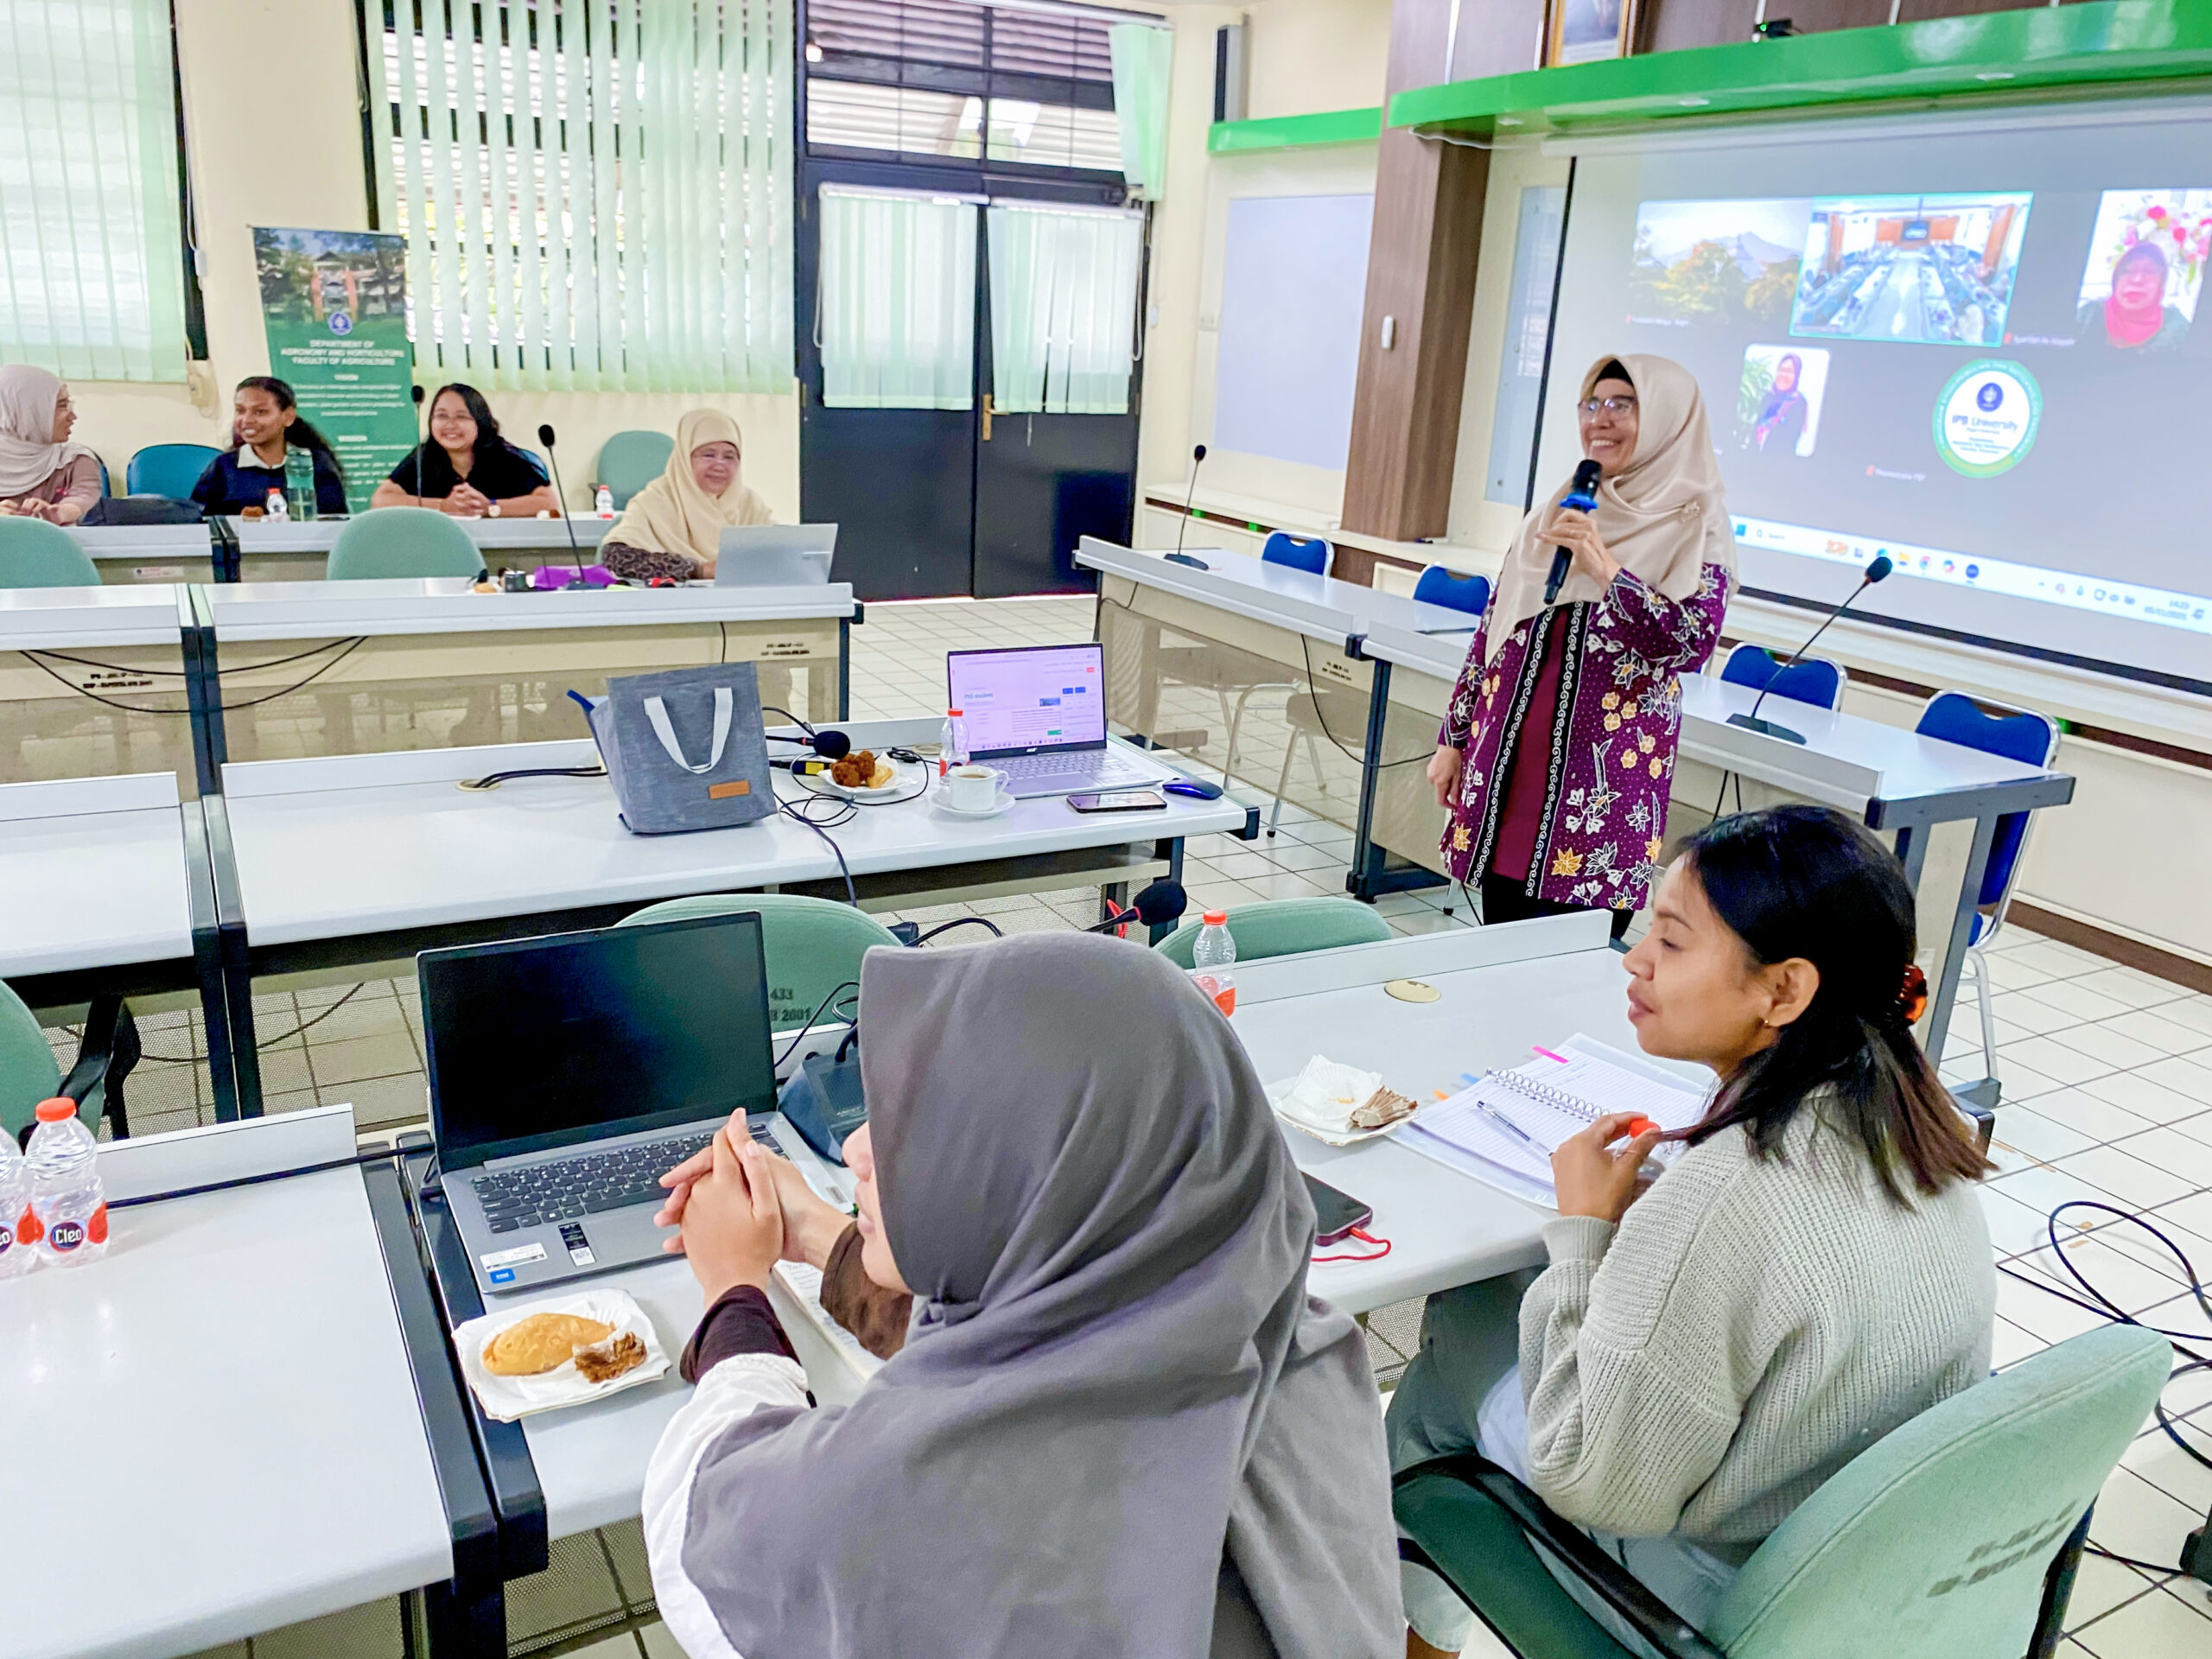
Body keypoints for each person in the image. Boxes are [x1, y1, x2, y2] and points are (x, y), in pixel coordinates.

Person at [642, 932, 1402, 1659]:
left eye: (925, 1126)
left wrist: (733, 1285)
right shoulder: (1305, 1352)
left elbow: (713, 1527)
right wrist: (821, 1232)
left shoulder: (929, 1492)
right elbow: (1052, 1321)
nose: (857, 1148)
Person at [1389, 805, 1996, 1659]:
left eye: (1671, 942)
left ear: (1784, 991)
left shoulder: (1728, 1190)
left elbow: (1591, 1481)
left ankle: (1405, 1624)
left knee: (1459, 1333)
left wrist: (1583, 1232)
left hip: (1716, 1603)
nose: (1634, 958)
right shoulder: (1920, 1125)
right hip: (1858, 1572)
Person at [1427, 354, 1733, 939]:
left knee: (1570, 968)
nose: (1601, 419)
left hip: (1598, 796)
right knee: (1501, 954)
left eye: (1623, 404)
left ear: (1667, 418)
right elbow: (1492, 635)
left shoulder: (1697, 525)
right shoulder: (1558, 508)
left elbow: (1689, 644)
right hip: (1510, 773)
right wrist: (1454, 740)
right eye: (1592, 404)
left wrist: (1604, 567)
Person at [601, 410, 771, 583]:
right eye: (708, 455)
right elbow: (616, 558)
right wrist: (696, 570)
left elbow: (780, 554)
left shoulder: (749, 504)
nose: (719, 466)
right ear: (684, 458)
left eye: (729, 457)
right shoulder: (654, 501)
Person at [370, 383, 560, 517]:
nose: (450, 425)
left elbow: (549, 503)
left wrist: (490, 507)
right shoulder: (425, 456)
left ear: (480, 422)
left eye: (461, 417)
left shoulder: (504, 457)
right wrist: (443, 506)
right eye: (441, 416)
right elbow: (381, 500)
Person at [190, 377, 348, 517]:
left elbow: (335, 521)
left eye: (260, 412)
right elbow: (198, 520)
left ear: (288, 417)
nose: (247, 420)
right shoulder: (223, 467)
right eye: (240, 411)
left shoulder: (315, 464)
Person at [0, 365, 101, 525]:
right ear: (25, 409)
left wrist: (56, 513)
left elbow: (84, 498)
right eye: (61, 405)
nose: (73, 416)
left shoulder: (73, 460)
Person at [2078, 238, 2191, 352]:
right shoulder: (2088, 315)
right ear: (2116, 280)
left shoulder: (2177, 330)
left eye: (2149, 272)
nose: (2137, 280)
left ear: (2161, 283)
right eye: (2127, 271)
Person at [1749, 352, 1808, 456]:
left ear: (1796, 376)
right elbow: (1756, 428)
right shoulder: (1768, 397)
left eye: (1789, 371)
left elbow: (1790, 439)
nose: (1783, 374)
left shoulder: (1798, 402)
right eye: (1781, 370)